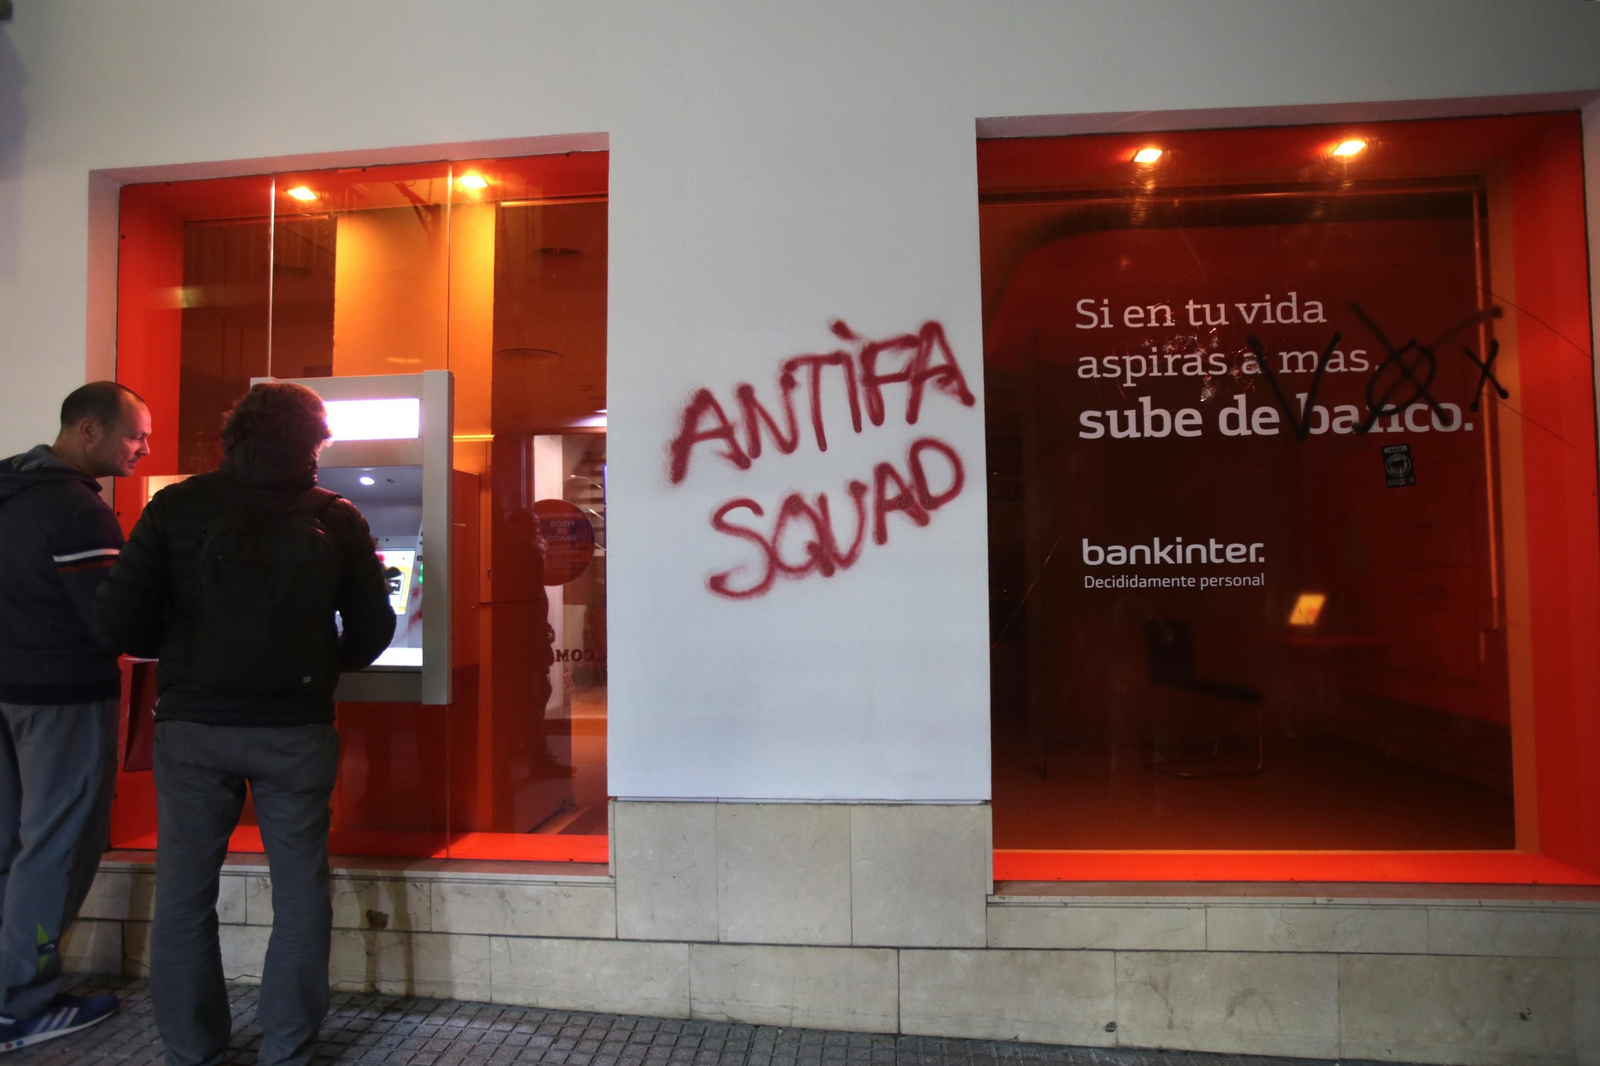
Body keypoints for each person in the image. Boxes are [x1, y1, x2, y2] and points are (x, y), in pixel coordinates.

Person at [96, 382, 394, 1066]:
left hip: (194, 726)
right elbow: (374, 625)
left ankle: (193, 1048)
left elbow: (117, 619)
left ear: (232, 437)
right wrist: (324, 664)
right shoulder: (336, 516)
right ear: (313, 444)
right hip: (296, 729)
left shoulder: (177, 507)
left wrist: (176, 646)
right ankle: (286, 1047)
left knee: (183, 892)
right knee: (298, 891)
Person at [0, 381, 150, 1050]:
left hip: (6, 694)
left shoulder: (8, 487)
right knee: (58, 847)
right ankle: (22, 1003)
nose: (143, 447)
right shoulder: (78, 512)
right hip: (61, 699)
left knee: (11, 845)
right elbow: (109, 622)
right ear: (88, 430)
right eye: (134, 435)